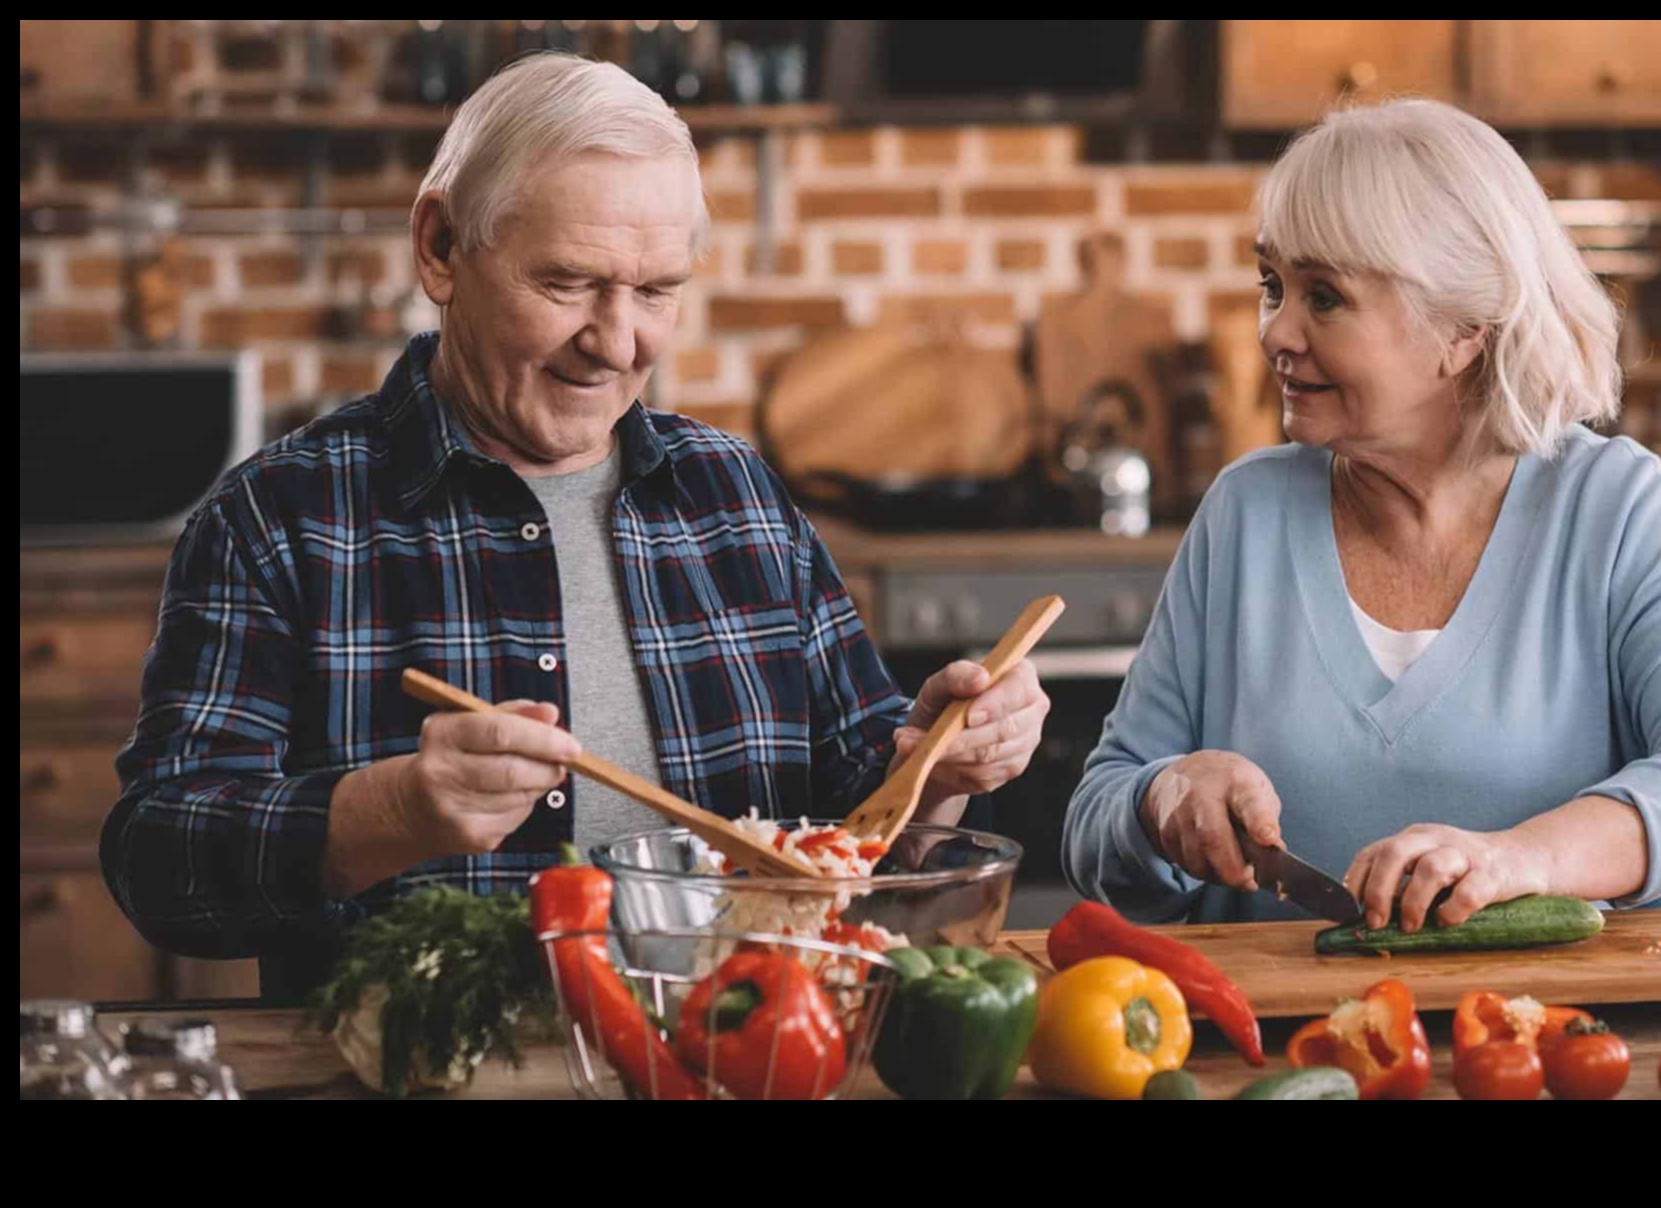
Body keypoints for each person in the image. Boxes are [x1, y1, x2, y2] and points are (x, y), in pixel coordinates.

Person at [102, 53, 1050, 1001]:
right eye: (566, 283)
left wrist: (937, 759)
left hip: (738, 1060)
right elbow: (158, 862)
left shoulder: (739, 497)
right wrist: (389, 812)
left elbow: (858, 821)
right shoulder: (281, 519)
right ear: (440, 248)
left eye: (657, 290)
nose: (617, 340)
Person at [1064, 99, 1661, 933]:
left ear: (1461, 332)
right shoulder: (1246, 514)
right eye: (1273, 285)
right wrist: (1160, 798)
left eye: (1325, 298)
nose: (1276, 332)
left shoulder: (1612, 507)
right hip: (1275, 1046)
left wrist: (1526, 858)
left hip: (1565, 1046)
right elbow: (1096, 820)